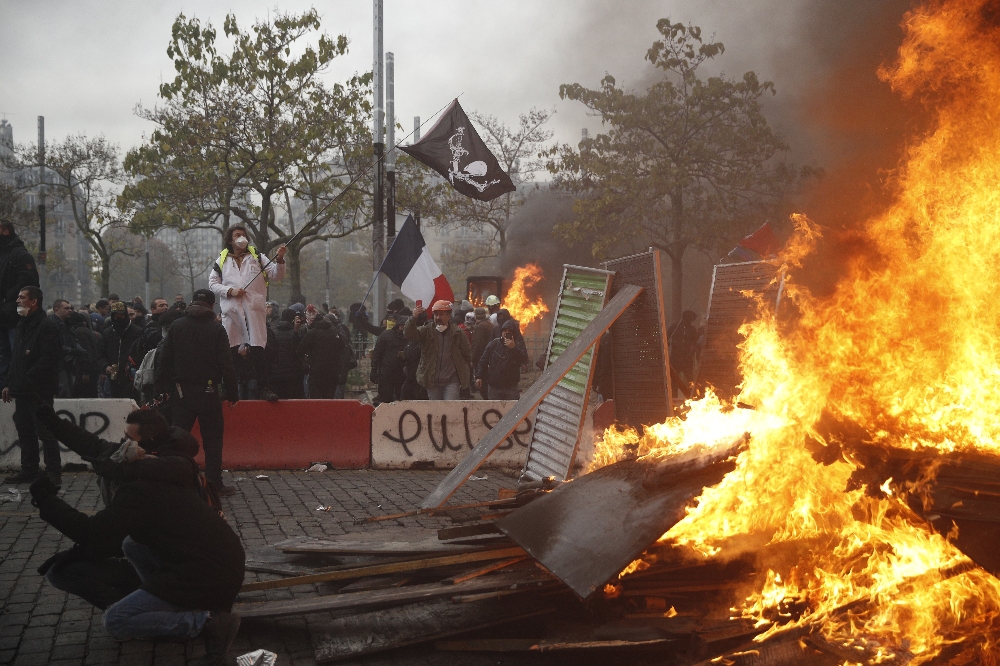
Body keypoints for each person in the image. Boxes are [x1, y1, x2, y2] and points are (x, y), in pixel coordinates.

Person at [28, 438, 244, 666]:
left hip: (208, 577)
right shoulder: (155, 483)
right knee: (131, 544)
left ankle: (208, 622)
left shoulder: (138, 495)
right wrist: (73, 555)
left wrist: (46, 501)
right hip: (216, 566)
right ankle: (171, 607)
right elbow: (112, 536)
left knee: (115, 620)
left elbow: (91, 531)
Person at [34, 407, 205, 610]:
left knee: (60, 571)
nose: (124, 443)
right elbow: (86, 442)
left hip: (170, 568)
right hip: (148, 553)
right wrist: (47, 416)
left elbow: (96, 532)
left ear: (147, 445)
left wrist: (47, 502)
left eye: (129, 439)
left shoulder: (155, 482)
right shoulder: (132, 460)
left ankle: (137, 615)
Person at [155, 289, 239, 496]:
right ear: (212, 306)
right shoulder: (216, 329)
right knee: (212, 439)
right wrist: (233, 392)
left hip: (181, 392)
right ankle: (213, 483)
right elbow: (226, 363)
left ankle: (173, 480)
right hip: (209, 391)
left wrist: (160, 389)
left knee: (177, 439)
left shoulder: (176, 326)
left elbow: (164, 361)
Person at [208, 225, 285, 402]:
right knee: (231, 352)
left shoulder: (257, 257)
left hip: (253, 310)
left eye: (244, 235)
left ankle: (264, 388)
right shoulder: (222, 260)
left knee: (258, 349)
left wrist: (280, 260)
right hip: (232, 311)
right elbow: (212, 283)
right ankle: (228, 390)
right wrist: (230, 291)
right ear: (230, 240)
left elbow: (276, 275)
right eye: (237, 235)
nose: (241, 238)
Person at [2, 286, 62, 485]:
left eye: (21, 297)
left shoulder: (47, 326)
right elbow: (17, 358)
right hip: (22, 390)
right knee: (25, 431)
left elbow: (48, 359)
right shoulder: (22, 325)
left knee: (45, 431)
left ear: (33, 301)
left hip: (39, 391)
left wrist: (25, 380)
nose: (17, 301)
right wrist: (9, 383)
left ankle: (53, 472)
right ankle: (29, 469)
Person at [404, 301, 472, 400]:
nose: (438, 318)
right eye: (436, 315)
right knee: (436, 411)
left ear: (449, 316)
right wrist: (413, 318)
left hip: (452, 381)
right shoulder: (426, 331)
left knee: (449, 409)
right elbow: (409, 334)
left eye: (441, 314)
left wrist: (463, 372)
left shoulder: (458, 333)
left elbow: (467, 354)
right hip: (432, 381)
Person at [0, 220, 40, 390]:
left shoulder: (20, 256)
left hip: (14, 318)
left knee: (16, 356)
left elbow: (29, 283)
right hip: (4, 317)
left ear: (6, 231)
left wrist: (7, 300)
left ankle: (14, 390)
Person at [99, 301, 143, 401]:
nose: (119, 318)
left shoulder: (137, 332)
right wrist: (105, 366)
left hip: (132, 379)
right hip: (113, 380)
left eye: (121, 315)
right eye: (116, 315)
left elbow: (142, 354)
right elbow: (100, 354)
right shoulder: (107, 333)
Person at [476, 319, 529, 400]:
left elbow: (523, 359)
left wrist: (513, 348)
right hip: (494, 386)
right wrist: (479, 376)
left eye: (509, 331)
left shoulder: (517, 345)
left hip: (511, 387)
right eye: (504, 330)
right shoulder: (494, 344)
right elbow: (483, 360)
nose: (506, 333)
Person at [298, 310, 345, 399]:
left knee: (316, 400)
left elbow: (300, 351)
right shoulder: (334, 332)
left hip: (316, 373)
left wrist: (307, 360)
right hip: (332, 372)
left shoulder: (312, 333)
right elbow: (342, 347)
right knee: (329, 399)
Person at [370, 315, 408, 405]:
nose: (402, 328)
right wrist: (374, 369)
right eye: (401, 325)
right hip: (387, 372)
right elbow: (377, 353)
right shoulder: (386, 335)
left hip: (402, 373)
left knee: (401, 398)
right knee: (386, 397)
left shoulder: (409, 337)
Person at [269, 308, 304, 399]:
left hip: (275, 374)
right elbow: (299, 351)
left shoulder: (273, 332)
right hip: (293, 374)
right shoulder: (295, 333)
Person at [50, 299, 81, 398]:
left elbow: (73, 340)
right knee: (63, 391)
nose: (70, 310)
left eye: (70, 308)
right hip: (57, 364)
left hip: (68, 363)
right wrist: (71, 350)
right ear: (57, 310)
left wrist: (78, 348)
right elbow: (54, 346)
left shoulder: (68, 324)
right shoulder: (51, 324)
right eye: (66, 308)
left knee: (69, 391)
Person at [69, 311, 102, 398]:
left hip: (85, 370)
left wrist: (86, 372)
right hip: (91, 369)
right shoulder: (85, 330)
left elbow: (86, 352)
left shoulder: (79, 332)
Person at [668, 310, 700, 394]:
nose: (691, 321)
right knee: (673, 379)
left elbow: (695, 342)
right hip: (675, 357)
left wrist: (692, 352)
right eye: (690, 319)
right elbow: (666, 338)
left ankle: (691, 396)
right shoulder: (674, 327)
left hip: (687, 358)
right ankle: (673, 397)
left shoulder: (692, 329)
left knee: (690, 379)